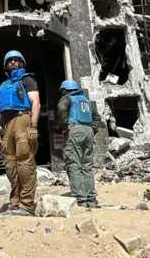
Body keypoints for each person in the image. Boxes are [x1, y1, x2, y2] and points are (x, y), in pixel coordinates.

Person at [0, 50, 41, 216]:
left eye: (16, 60)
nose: (13, 62)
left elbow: (36, 103)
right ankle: (15, 203)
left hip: (22, 119)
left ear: (21, 63)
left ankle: (27, 205)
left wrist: (33, 125)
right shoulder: (3, 85)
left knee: (24, 162)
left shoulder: (27, 79)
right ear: (6, 65)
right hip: (7, 125)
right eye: (10, 61)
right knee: (10, 164)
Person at [57, 79, 101, 208]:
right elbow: (97, 118)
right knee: (86, 166)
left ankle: (80, 200)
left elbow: (61, 109)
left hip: (74, 131)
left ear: (65, 90)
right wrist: (92, 130)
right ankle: (91, 200)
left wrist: (64, 127)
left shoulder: (67, 99)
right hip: (88, 131)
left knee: (74, 165)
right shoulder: (86, 101)